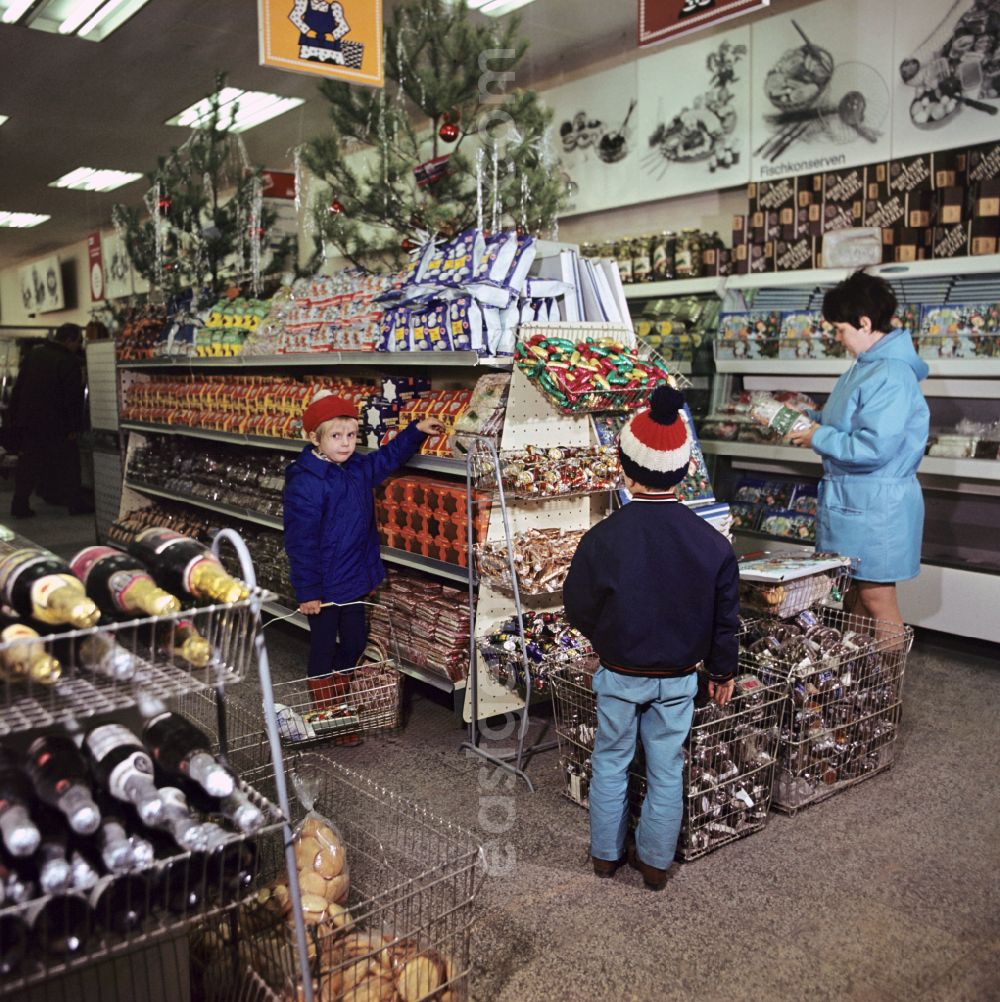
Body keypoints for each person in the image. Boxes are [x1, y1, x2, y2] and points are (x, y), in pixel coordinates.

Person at [563, 385, 739, 891]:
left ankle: (604, 855)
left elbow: (578, 605)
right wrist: (722, 670)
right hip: (680, 678)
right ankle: (656, 863)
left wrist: (608, 637)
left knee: (611, 761)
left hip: (619, 672)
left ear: (624, 466)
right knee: (667, 768)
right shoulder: (711, 544)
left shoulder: (603, 538)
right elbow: (724, 617)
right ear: (685, 471)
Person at [283, 389, 446, 716]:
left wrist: (415, 431)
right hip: (325, 588)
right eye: (336, 436)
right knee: (323, 649)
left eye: (352, 435)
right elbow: (301, 542)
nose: (346, 443)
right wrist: (308, 591)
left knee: (356, 643)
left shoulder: (357, 468)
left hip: (354, 579)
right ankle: (326, 712)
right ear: (314, 438)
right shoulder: (306, 482)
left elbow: (387, 457)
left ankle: (338, 702)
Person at [788, 271, 929, 634]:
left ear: (864, 323)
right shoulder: (866, 368)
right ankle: (859, 685)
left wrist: (817, 437)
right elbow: (849, 422)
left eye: (839, 329)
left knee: (878, 600)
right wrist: (811, 419)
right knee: (853, 596)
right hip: (858, 501)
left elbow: (874, 447)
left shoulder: (891, 375)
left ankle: (885, 689)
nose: (838, 338)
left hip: (877, 507)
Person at [8, 323, 93, 518]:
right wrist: (74, 426)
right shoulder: (67, 360)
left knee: (29, 462)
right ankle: (75, 502)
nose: (78, 346)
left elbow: (18, 389)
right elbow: (72, 397)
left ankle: (19, 503)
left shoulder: (34, 355)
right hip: (57, 422)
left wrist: (16, 418)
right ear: (69, 340)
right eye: (78, 341)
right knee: (70, 463)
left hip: (30, 420)